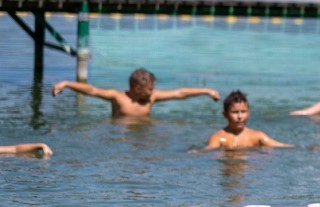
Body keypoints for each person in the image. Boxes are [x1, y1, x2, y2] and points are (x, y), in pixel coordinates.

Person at [52, 68, 220, 118]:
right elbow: (92, 90)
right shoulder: (117, 97)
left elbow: (179, 93)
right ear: (137, 89)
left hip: (145, 134)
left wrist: (207, 91)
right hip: (121, 134)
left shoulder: (151, 98)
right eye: (150, 88)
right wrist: (67, 83)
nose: (153, 91)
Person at [205, 90, 295, 150]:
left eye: (243, 112)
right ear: (225, 115)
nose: (240, 116)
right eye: (235, 112)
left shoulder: (256, 136)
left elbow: (279, 146)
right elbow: (207, 152)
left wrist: (303, 148)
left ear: (248, 113)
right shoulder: (218, 137)